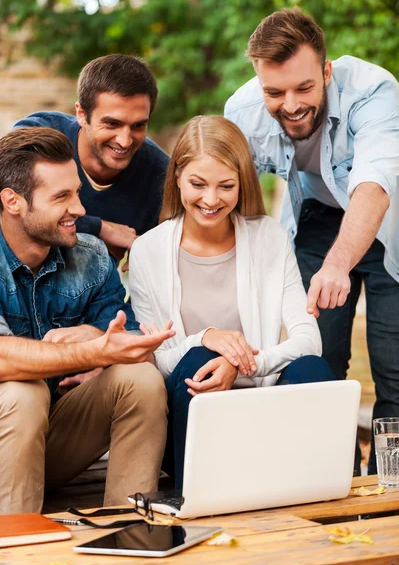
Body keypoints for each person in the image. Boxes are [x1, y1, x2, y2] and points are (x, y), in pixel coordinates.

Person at [224, 7, 399, 473]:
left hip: (390, 222)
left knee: (394, 370)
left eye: (304, 88)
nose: (291, 104)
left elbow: (375, 185)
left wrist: (339, 262)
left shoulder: (375, 91)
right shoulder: (242, 113)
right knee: (320, 359)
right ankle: (331, 477)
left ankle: (390, 492)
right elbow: (229, 195)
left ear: (326, 71)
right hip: (318, 221)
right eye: (274, 92)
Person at [129, 115, 335, 489]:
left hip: (260, 412)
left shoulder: (268, 237)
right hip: (192, 419)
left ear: (242, 184)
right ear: (176, 177)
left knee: (312, 369)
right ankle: (193, 496)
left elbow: (309, 339)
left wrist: (244, 365)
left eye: (226, 186)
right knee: (196, 359)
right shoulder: (148, 250)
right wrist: (205, 337)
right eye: (198, 184)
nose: (210, 200)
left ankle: (320, 500)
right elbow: (157, 360)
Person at [0, 127, 175, 514]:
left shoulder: (91, 256)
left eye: (76, 192)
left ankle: (125, 534)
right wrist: (91, 351)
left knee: (141, 379)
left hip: (49, 442)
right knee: (23, 393)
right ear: (13, 201)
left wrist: (99, 338)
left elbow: (132, 348)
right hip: (9, 424)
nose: (80, 210)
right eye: (61, 197)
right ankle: (17, 552)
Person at [14, 53, 169, 265]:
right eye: (112, 124)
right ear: (81, 114)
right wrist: (100, 228)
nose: (124, 141)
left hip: (92, 291)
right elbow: (12, 208)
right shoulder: (38, 135)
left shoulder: (160, 176)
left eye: (138, 125)